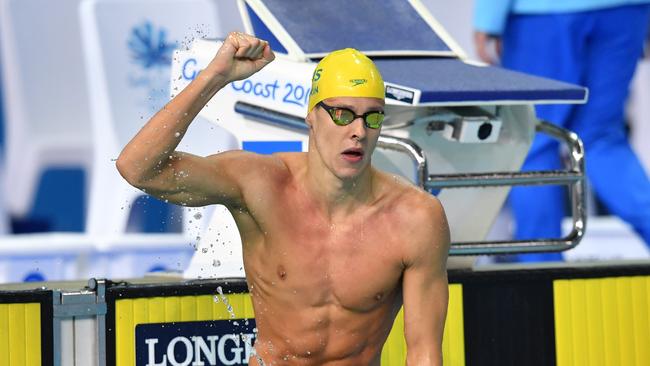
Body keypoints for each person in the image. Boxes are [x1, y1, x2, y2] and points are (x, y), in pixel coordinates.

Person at [117, 32, 450, 365]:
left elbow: (424, 353)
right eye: (343, 114)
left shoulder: (415, 218)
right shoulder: (261, 185)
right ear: (311, 117)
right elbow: (138, 169)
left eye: (372, 117)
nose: (359, 132)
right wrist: (213, 78)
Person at [474, 0, 650, 262]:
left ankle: (541, 275)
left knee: (533, 141)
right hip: (624, 10)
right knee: (603, 141)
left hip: (543, 13)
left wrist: (488, 17)